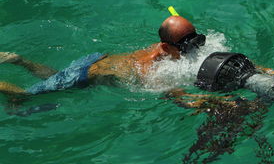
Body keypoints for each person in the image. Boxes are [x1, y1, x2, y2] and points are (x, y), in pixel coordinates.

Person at [0, 15, 206, 99]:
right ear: (164, 47)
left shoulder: (165, 47)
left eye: (197, 40)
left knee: (55, 76)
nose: (193, 48)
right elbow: (176, 95)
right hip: (85, 73)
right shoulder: (146, 69)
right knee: (24, 95)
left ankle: (20, 60)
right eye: (187, 45)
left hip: (98, 59)